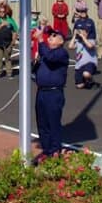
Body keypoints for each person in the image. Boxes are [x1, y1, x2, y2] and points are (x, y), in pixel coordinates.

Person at [33, 27, 68, 161]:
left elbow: (51, 58)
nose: (50, 37)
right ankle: (46, 150)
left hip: (54, 93)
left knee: (53, 122)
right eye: (49, 36)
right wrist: (35, 63)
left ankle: (55, 151)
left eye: (54, 36)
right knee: (42, 123)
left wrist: (41, 41)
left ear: (60, 41)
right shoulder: (45, 53)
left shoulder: (61, 53)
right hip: (41, 92)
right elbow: (36, 70)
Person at [0, 5, 18, 79]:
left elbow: (15, 31)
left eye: (3, 11)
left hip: (8, 43)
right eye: (0, 12)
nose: (2, 13)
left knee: (8, 59)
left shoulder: (10, 19)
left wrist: (13, 42)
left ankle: (9, 73)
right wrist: (1, 25)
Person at [68, 20, 98, 89]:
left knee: (86, 74)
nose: (81, 33)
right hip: (79, 65)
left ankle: (91, 81)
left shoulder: (91, 40)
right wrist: (74, 36)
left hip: (90, 63)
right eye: (80, 31)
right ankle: (85, 81)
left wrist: (83, 37)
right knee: (79, 86)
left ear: (87, 33)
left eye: (83, 32)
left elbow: (90, 46)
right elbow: (70, 46)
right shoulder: (78, 42)